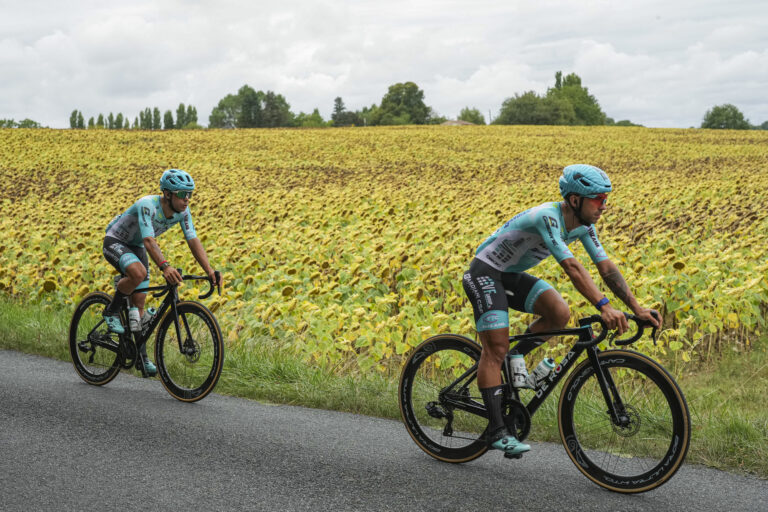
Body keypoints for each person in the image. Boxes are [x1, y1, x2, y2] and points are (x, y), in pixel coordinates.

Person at [461, 164, 660, 456]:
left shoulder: (583, 226)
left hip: (510, 275)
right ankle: (495, 430)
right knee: (496, 348)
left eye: (606, 199)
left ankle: (516, 356)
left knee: (559, 313)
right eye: (598, 199)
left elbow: (605, 268)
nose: (603, 206)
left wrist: (637, 307)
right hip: (485, 273)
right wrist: (603, 306)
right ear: (575, 200)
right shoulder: (548, 217)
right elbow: (572, 267)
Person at [101, 169, 222, 376]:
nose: (187, 200)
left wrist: (209, 270)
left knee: (139, 305)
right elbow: (149, 240)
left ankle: (141, 357)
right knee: (138, 274)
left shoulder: (183, 212)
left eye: (190, 194)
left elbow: (192, 240)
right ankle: (111, 311)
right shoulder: (147, 205)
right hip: (116, 241)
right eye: (183, 194)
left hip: (136, 246)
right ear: (167, 194)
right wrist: (165, 266)